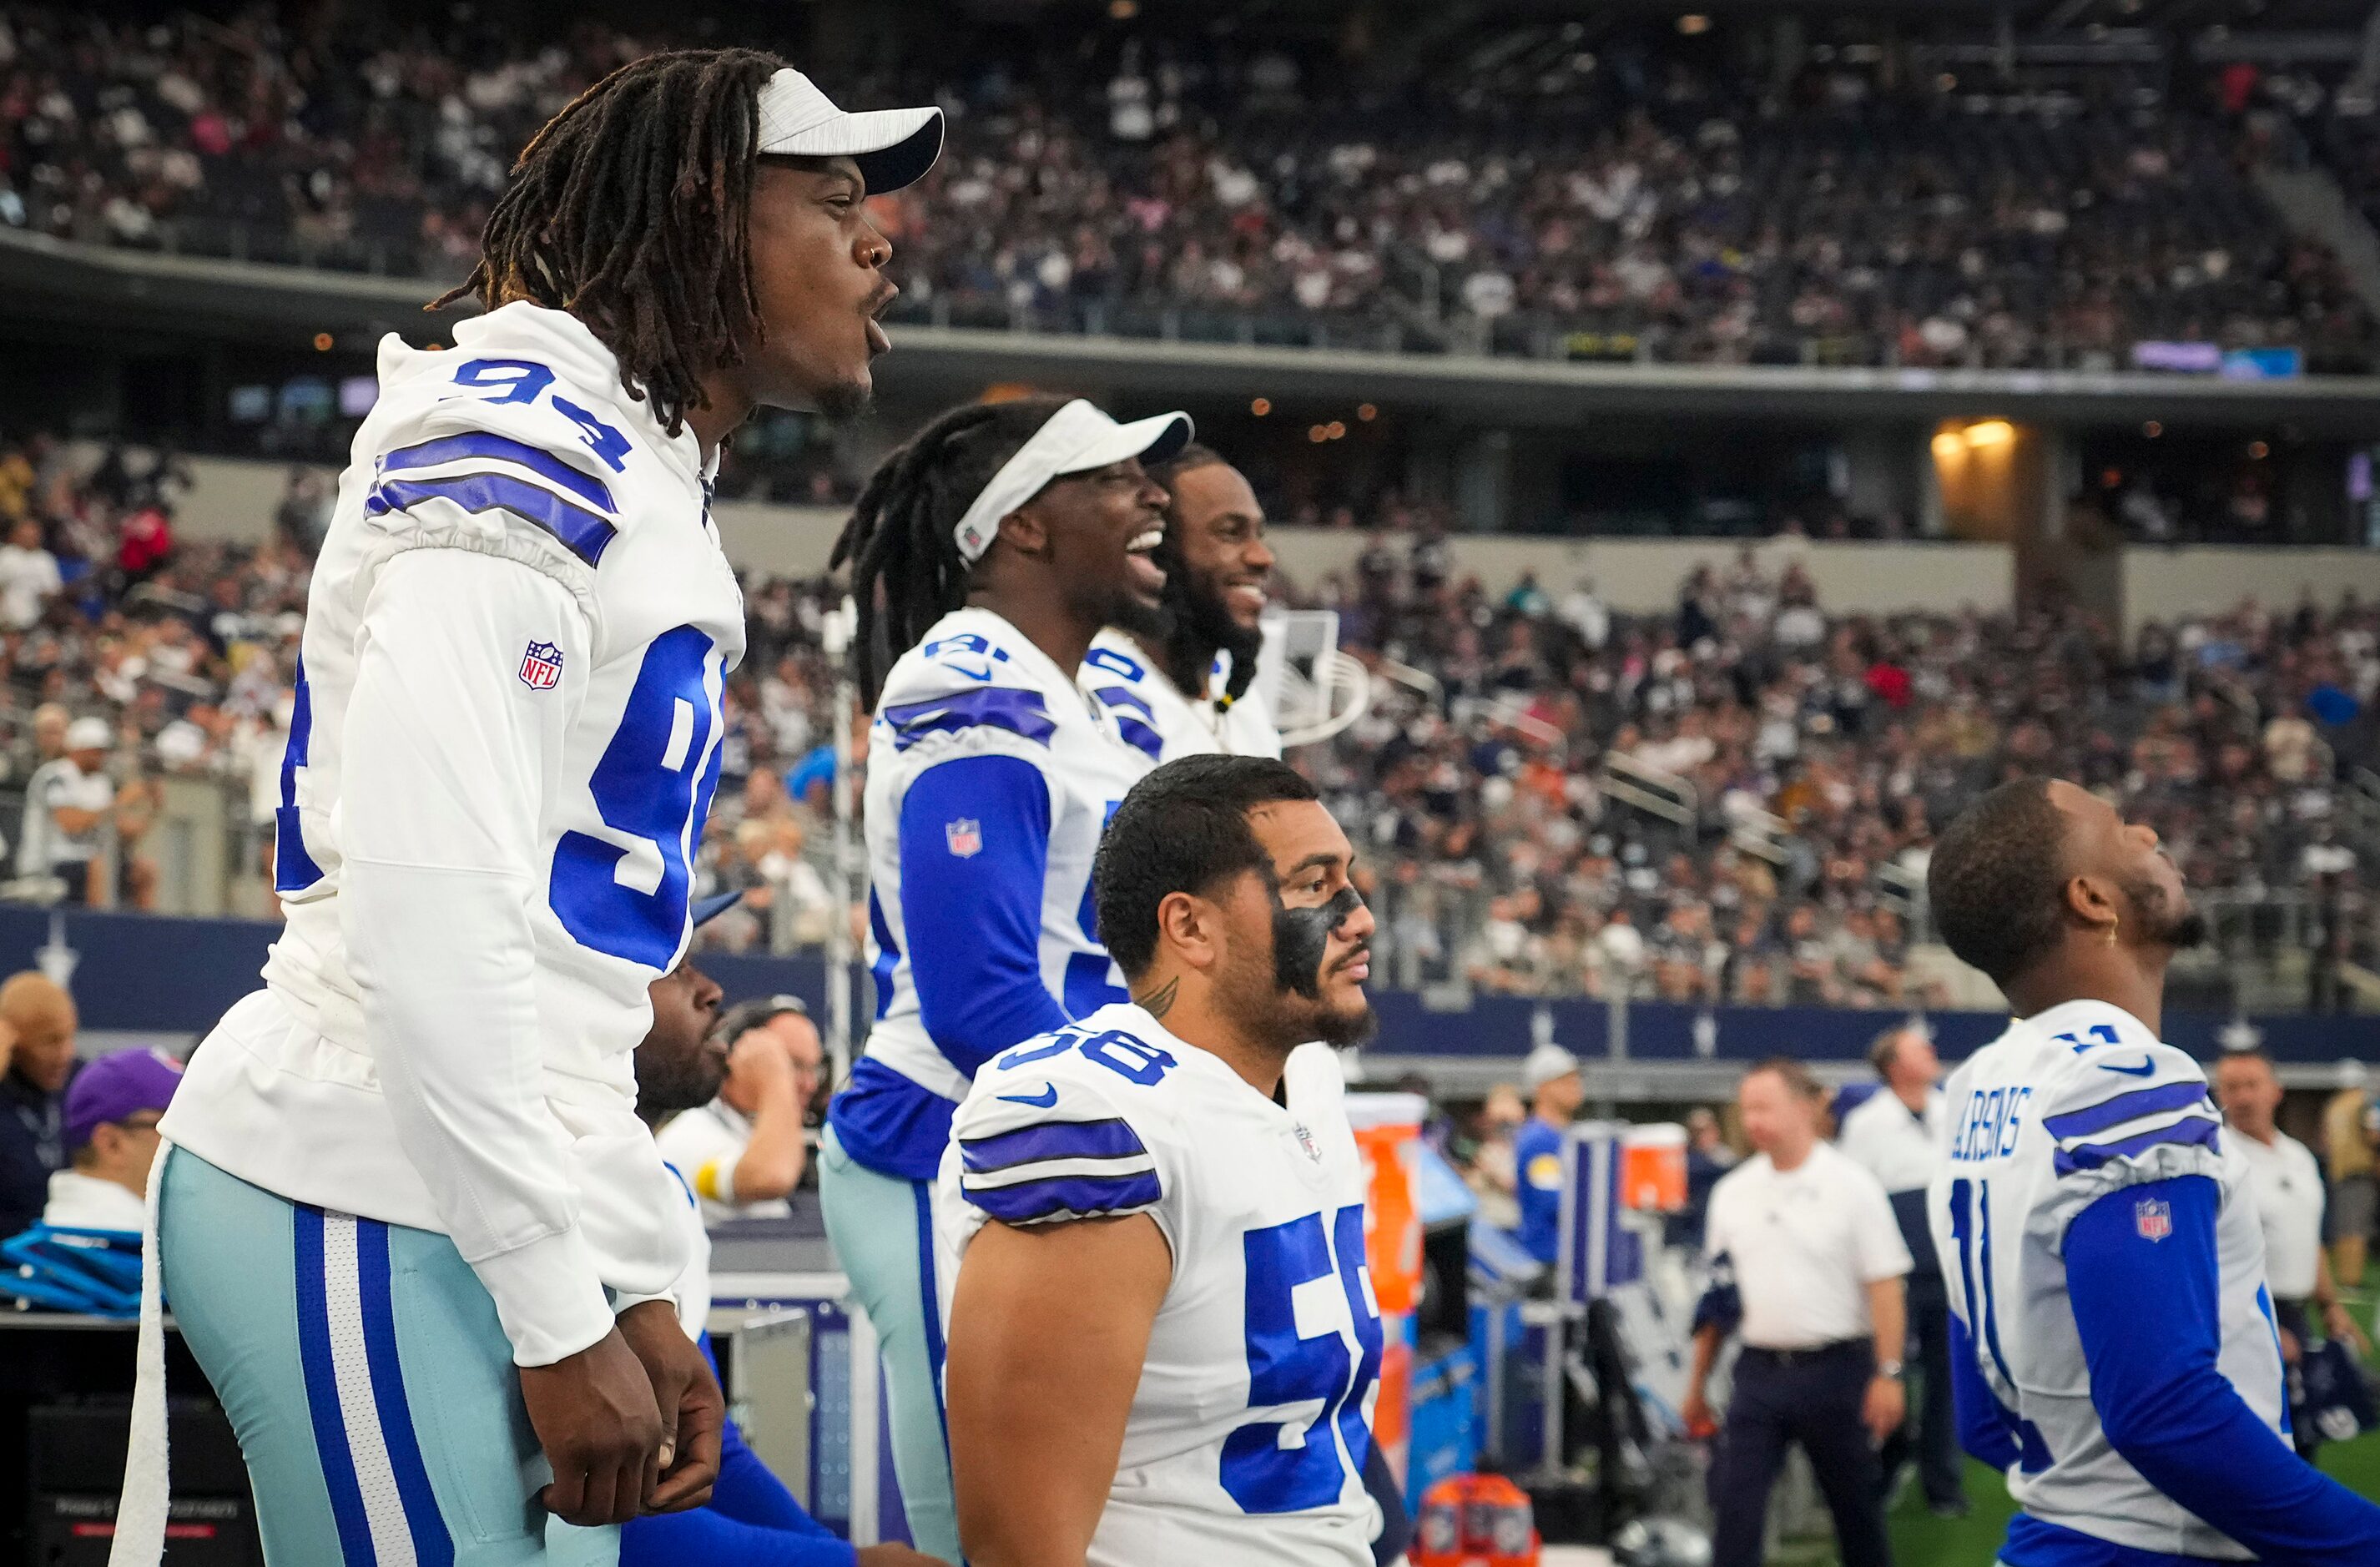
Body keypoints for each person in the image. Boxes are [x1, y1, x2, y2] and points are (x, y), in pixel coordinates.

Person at [137, 50, 945, 1566]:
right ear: (705, 206)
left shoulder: (632, 458)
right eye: (834, 199)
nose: (881, 235)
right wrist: (557, 1299)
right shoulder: (524, 452)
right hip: (359, 1175)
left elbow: (565, 991)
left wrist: (632, 1282)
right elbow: (432, 916)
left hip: (475, 1189)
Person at [820, 393, 1187, 1562]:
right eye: (1111, 478)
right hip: (944, 1144)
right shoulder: (973, 676)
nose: (1153, 497)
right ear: (1020, 526)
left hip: (1025, 1137)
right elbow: (983, 1000)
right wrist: (1176, 1127)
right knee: (1001, 1540)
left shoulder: (1063, 689)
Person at [940, 754, 1383, 1567]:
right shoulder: (1095, 1121)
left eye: (1347, 880)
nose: (1359, 917)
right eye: (1314, 885)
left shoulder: (1306, 1075)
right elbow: (1019, 1546)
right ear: (1189, 928)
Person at [1924, 777, 2380, 1564]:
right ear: (2092, 900)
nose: (2145, 831)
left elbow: (1982, 1419)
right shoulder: (2126, 1079)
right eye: (2116, 826)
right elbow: (2164, 1412)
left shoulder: (1975, 1086)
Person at [624, 895, 944, 1567]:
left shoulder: (659, 1184)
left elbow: (706, 1455)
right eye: (674, 967)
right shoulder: (688, 1141)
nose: (711, 989)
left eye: (808, 1068)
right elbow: (601, 1521)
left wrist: (834, 1555)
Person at [1684, 1058, 1909, 1567]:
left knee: (1856, 1512)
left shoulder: (1853, 1186)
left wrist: (1888, 1373)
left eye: (1765, 1106)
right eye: (1746, 1110)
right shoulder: (1731, 1193)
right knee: (1734, 1507)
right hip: (1759, 1373)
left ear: (1804, 1107)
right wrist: (1697, 1386)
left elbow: (1886, 1286)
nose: (1753, 1120)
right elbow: (1717, 1302)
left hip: (1837, 1370)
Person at [2213, 1047, 2372, 1459]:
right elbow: (2213, 1256)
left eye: (2252, 1085)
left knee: (2304, 1437)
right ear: (2220, 1095)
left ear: (2276, 1091)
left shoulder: (2298, 1157)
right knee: (2256, 1442)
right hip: (2244, 1317)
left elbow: (2307, 1237)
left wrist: (2330, 1304)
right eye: (2233, 1087)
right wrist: (2261, 1324)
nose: (2244, 1097)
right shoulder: (2218, 1160)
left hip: (2296, 1315)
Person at [1077, 442, 1281, 760]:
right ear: (1157, 549)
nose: (1263, 557)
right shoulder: (1106, 693)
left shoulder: (1231, 691)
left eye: (1259, 534)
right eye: (1230, 532)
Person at [1837, 1025, 1964, 1516]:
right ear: (1894, 1064)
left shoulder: (1951, 1109)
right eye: (1919, 1048)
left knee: (1945, 1381)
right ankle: (1882, 1474)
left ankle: (1943, 1486)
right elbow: (1853, 1198)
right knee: (1885, 1377)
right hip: (1895, 1275)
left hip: (1947, 1268)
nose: (1932, 1052)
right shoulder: (1867, 1123)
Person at [655, 995, 824, 1222]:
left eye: (813, 1069)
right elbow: (771, 1177)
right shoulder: (689, 1136)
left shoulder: (755, 1132)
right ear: (735, 1058)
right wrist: (775, 1082)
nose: (810, 1084)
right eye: (792, 1064)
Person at [42, 1046, 183, 1232]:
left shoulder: (61, 1236)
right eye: (173, 1124)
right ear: (111, 1144)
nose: (189, 1140)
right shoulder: (114, 1249)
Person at [0, 971, 78, 1239]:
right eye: (50, 1041)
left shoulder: (79, 1083)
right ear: (14, 1041)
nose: (65, 1054)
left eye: (70, 1037)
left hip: (65, 1260)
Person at [16, 715, 115, 904]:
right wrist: (117, 806)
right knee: (96, 865)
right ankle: (98, 928)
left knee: (141, 869)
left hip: (84, 860)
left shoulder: (101, 782)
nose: (102, 757)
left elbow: (123, 831)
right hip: (48, 862)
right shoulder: (54, 775)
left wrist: (150, 808)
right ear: (80, 749)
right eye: (97, 751)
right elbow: (69, 823)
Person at [1511, 1041, 1584, 1266]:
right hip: (1548, 1258)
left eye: (1575, 1078)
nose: (1575, 1085)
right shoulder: (1538, 1140)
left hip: (1566, 1255)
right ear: (1542, 1088)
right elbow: (1555, 1202)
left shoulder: (1564, 1135)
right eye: (1563, 1080)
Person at [2322, 1062, 2377, 1288]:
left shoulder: (2333, 1106)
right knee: (2357, 1227)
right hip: (2359, 1170)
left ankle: (2344, 1278)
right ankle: (2352, 1280)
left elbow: (2325, 1140)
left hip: (2338, 1171)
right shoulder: (2363, 1104)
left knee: (2344, 1226)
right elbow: (2373, 1134)